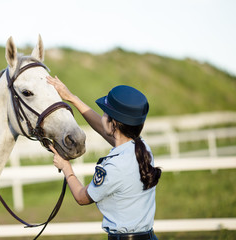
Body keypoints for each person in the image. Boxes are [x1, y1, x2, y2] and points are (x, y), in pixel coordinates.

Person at [46, 75, 161, 240]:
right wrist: (71, 98)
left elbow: (81, 197)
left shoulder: (114, 167)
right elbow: (102, 128)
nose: (102, 116)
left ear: (114, 123)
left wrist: (66, 167)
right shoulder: (142, 149)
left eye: (105, 113)